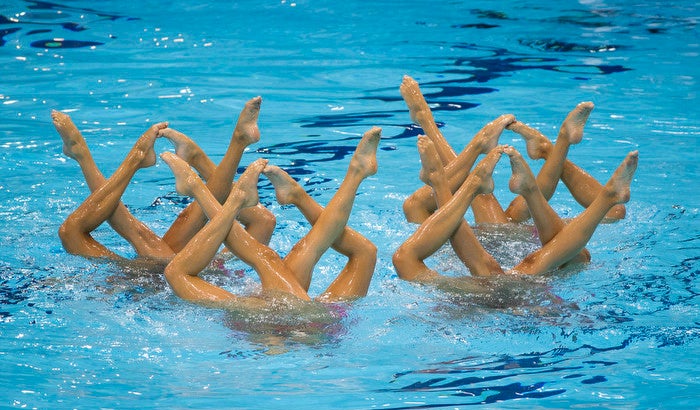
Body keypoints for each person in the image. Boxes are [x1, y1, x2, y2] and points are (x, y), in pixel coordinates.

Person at [160, 127, 381, 309]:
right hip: (306, 324)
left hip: (303, 326)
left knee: (178, 271)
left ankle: (212, 191)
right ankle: (345, 178)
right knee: (361, 252)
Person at [392, 135, 638, 290]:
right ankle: (597, 193)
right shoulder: (506, 220)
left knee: (489, 268)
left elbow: (414, 211)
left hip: (492, 297)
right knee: (570, 257)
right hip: (505, 298)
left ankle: (447, 182)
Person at [53, 96, 276, 263]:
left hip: (153, 280)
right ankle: (209, 152)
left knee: (81, 233)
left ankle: (102, 157)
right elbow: (263, 221)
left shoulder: (186, 274)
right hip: (197, 272)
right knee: (256, 219)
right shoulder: (229, 265)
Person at [399, 75, 626, 225]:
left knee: (481, 198)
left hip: (501, 252)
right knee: (613, 210)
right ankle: (550, 149)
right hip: (526, 246)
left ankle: (430, 124)